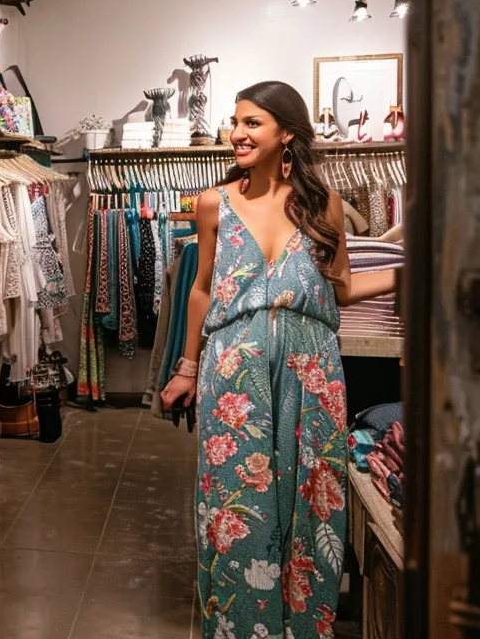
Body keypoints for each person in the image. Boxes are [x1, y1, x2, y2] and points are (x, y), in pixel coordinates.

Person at [158, 80, 396, 638]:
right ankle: (242, 626)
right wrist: (186, 367)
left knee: (313, 495)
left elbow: (340, 287)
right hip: (234, 372)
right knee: (237, 497)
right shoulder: (215, 202)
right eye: (235, 122)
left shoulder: (324, 205)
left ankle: (302, 626)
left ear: (286, 133)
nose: (236, 133)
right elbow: (201, 289)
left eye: (252, 123)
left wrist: (409, 273)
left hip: (312, 371)